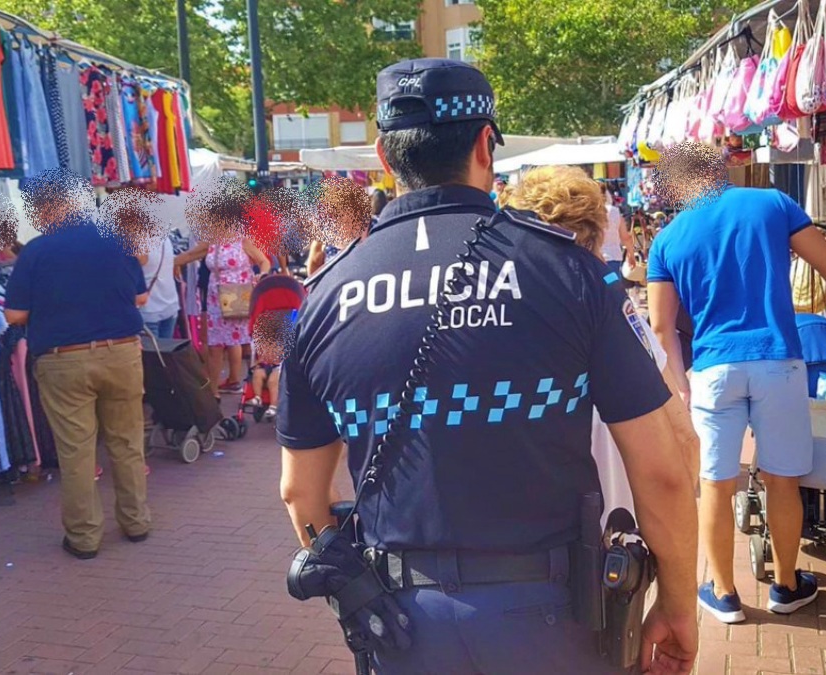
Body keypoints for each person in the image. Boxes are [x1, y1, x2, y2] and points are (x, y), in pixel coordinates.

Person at [278, 58, 698, 675]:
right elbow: (661, 468)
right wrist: (679, 603)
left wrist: (358, 597)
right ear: (484, 143)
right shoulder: (568, 272)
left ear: (384, 156)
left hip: (401, 623)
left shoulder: (324, 295)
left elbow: (300, 492)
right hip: (554, 618)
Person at [646, 165, 826, 625]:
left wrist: (680, 386)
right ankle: (786, 584)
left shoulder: (668, 237)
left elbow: (661, 328)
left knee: (716, 482)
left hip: (713, 368)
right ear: (722, 170)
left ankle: (723, 593)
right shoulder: (772, 204)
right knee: (783, 478)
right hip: (777, 359)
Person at [505, 165, 699, 519]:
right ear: (596, 229)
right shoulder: (624, 320)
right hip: (622, 536)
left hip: (539, 538)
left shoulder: (501, 327)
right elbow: (684, 439)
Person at [3, 171, 152, 560]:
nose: (33, 216)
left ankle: (85, 538)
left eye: (34, 208)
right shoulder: (117, 239)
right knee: (126, 442)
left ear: (50, 206)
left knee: (77, 452)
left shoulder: (36, 251)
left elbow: (15, 315)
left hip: (63, 360)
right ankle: (136, 523)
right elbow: (140, 298)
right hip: (121, 352)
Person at [181, 237, 269, 394]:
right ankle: (213, 391)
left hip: (237, 294)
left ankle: (230, 382)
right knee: (215, 345)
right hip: (215, 297)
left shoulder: (243, 241)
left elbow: (263, 261)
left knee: (234, 341)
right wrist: (169, 262)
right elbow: (189, 255)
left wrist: (262, 275)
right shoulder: (212, 241)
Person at [139, 234, 179, 338]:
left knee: (152, 353)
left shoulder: (135, 243)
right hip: (170, 305)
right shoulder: (165, 239)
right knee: (166, 352)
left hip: (148, 310)